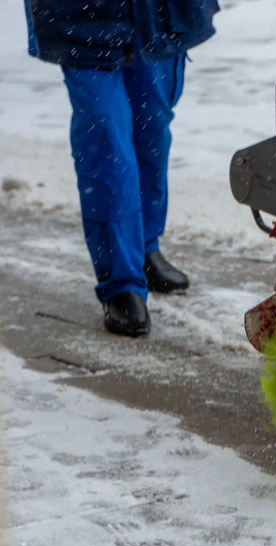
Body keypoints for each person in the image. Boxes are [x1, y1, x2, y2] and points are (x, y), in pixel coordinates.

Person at [23, 0, 220, 337]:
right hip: (81, 15)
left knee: (151, 128)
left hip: (160, 10)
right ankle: (121, 280)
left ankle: (144, 245)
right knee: (106, 135)